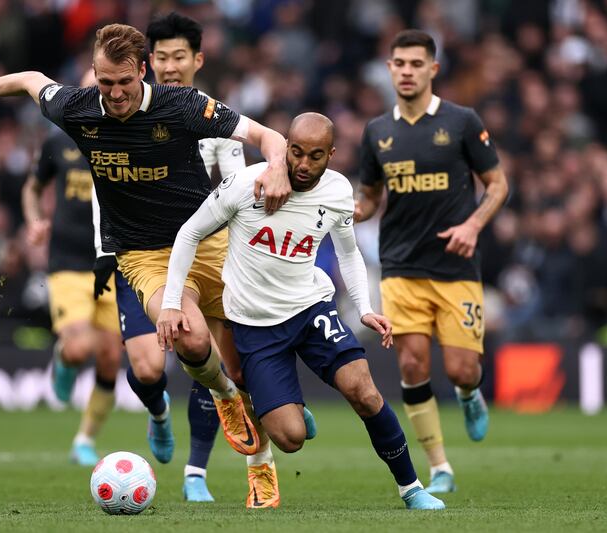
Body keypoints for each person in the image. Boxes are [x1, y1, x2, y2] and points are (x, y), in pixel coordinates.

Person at [0, 23, 291, 480]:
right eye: (105, 83)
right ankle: (224, 398)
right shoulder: (77, 108)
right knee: (191, 340)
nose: (115, 94)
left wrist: (277, 166)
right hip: (144, 255)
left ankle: (256, 432)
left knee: (245, 365)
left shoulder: (181, 105)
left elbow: (266, 135)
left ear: (142, 71)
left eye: (124, 82)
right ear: (93, 74)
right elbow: (27, 79)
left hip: (209, 241)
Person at [157, 112, 445, 510]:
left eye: (315, 156)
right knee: (290, 438)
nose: (304, 165)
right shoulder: (245, 183)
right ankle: (291, 409)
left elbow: (349, 252)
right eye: (296, 153)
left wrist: (364, 308)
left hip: (311, 310)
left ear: (331, 154)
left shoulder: (339, 191)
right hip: (256, 327)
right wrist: (171, 303)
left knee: (363, 391)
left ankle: (411, 488)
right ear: (285, 148)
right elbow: (189, 233)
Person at [145, 11, 315, 504]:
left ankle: (249, 464)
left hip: (214, 246)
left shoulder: (214, 118)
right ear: (147, 62)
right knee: (161, 362)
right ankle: (185, 450)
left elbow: (236, 183)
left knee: (235, 367)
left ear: (197, 59)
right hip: (151, 253)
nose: (170, 66)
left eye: (179, 56)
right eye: (161, 57)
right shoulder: (129, 116)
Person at [354, 30, 509, 494]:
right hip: (400, 268)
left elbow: (497, 184)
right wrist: (349, 210)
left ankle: (468, 393)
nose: (406, 71)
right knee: (413, 366)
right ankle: (440, 466)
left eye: (415, 64)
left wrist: (473, 226)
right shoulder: (377, 132)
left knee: (462, 368)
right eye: (398, 63)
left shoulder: (462, 122)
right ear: (389, 68)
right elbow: (370, 197)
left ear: (432, 69)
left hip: (456, 268)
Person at [22, 129, 157, 467]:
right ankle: (64, 356)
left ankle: (85, 439)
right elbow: (32, 187)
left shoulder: (124, 141)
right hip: (67, 263)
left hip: (111, 260)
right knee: (80, 346)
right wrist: (34, 220)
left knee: (111, 356)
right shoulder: (58, 143)